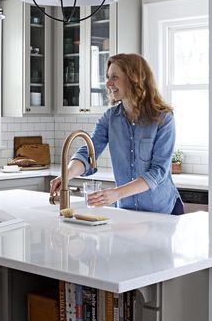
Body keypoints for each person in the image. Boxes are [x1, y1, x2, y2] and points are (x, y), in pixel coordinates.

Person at [50, 53, 184, 215]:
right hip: (126, 212)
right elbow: (88, 153)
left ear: (134, 79)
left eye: (114, 77)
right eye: (108, 77)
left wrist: (117, 193)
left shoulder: (163, 118)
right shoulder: (110, 118)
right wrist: (66, 175)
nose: (108, 83)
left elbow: (158, 172)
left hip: (162, 211)